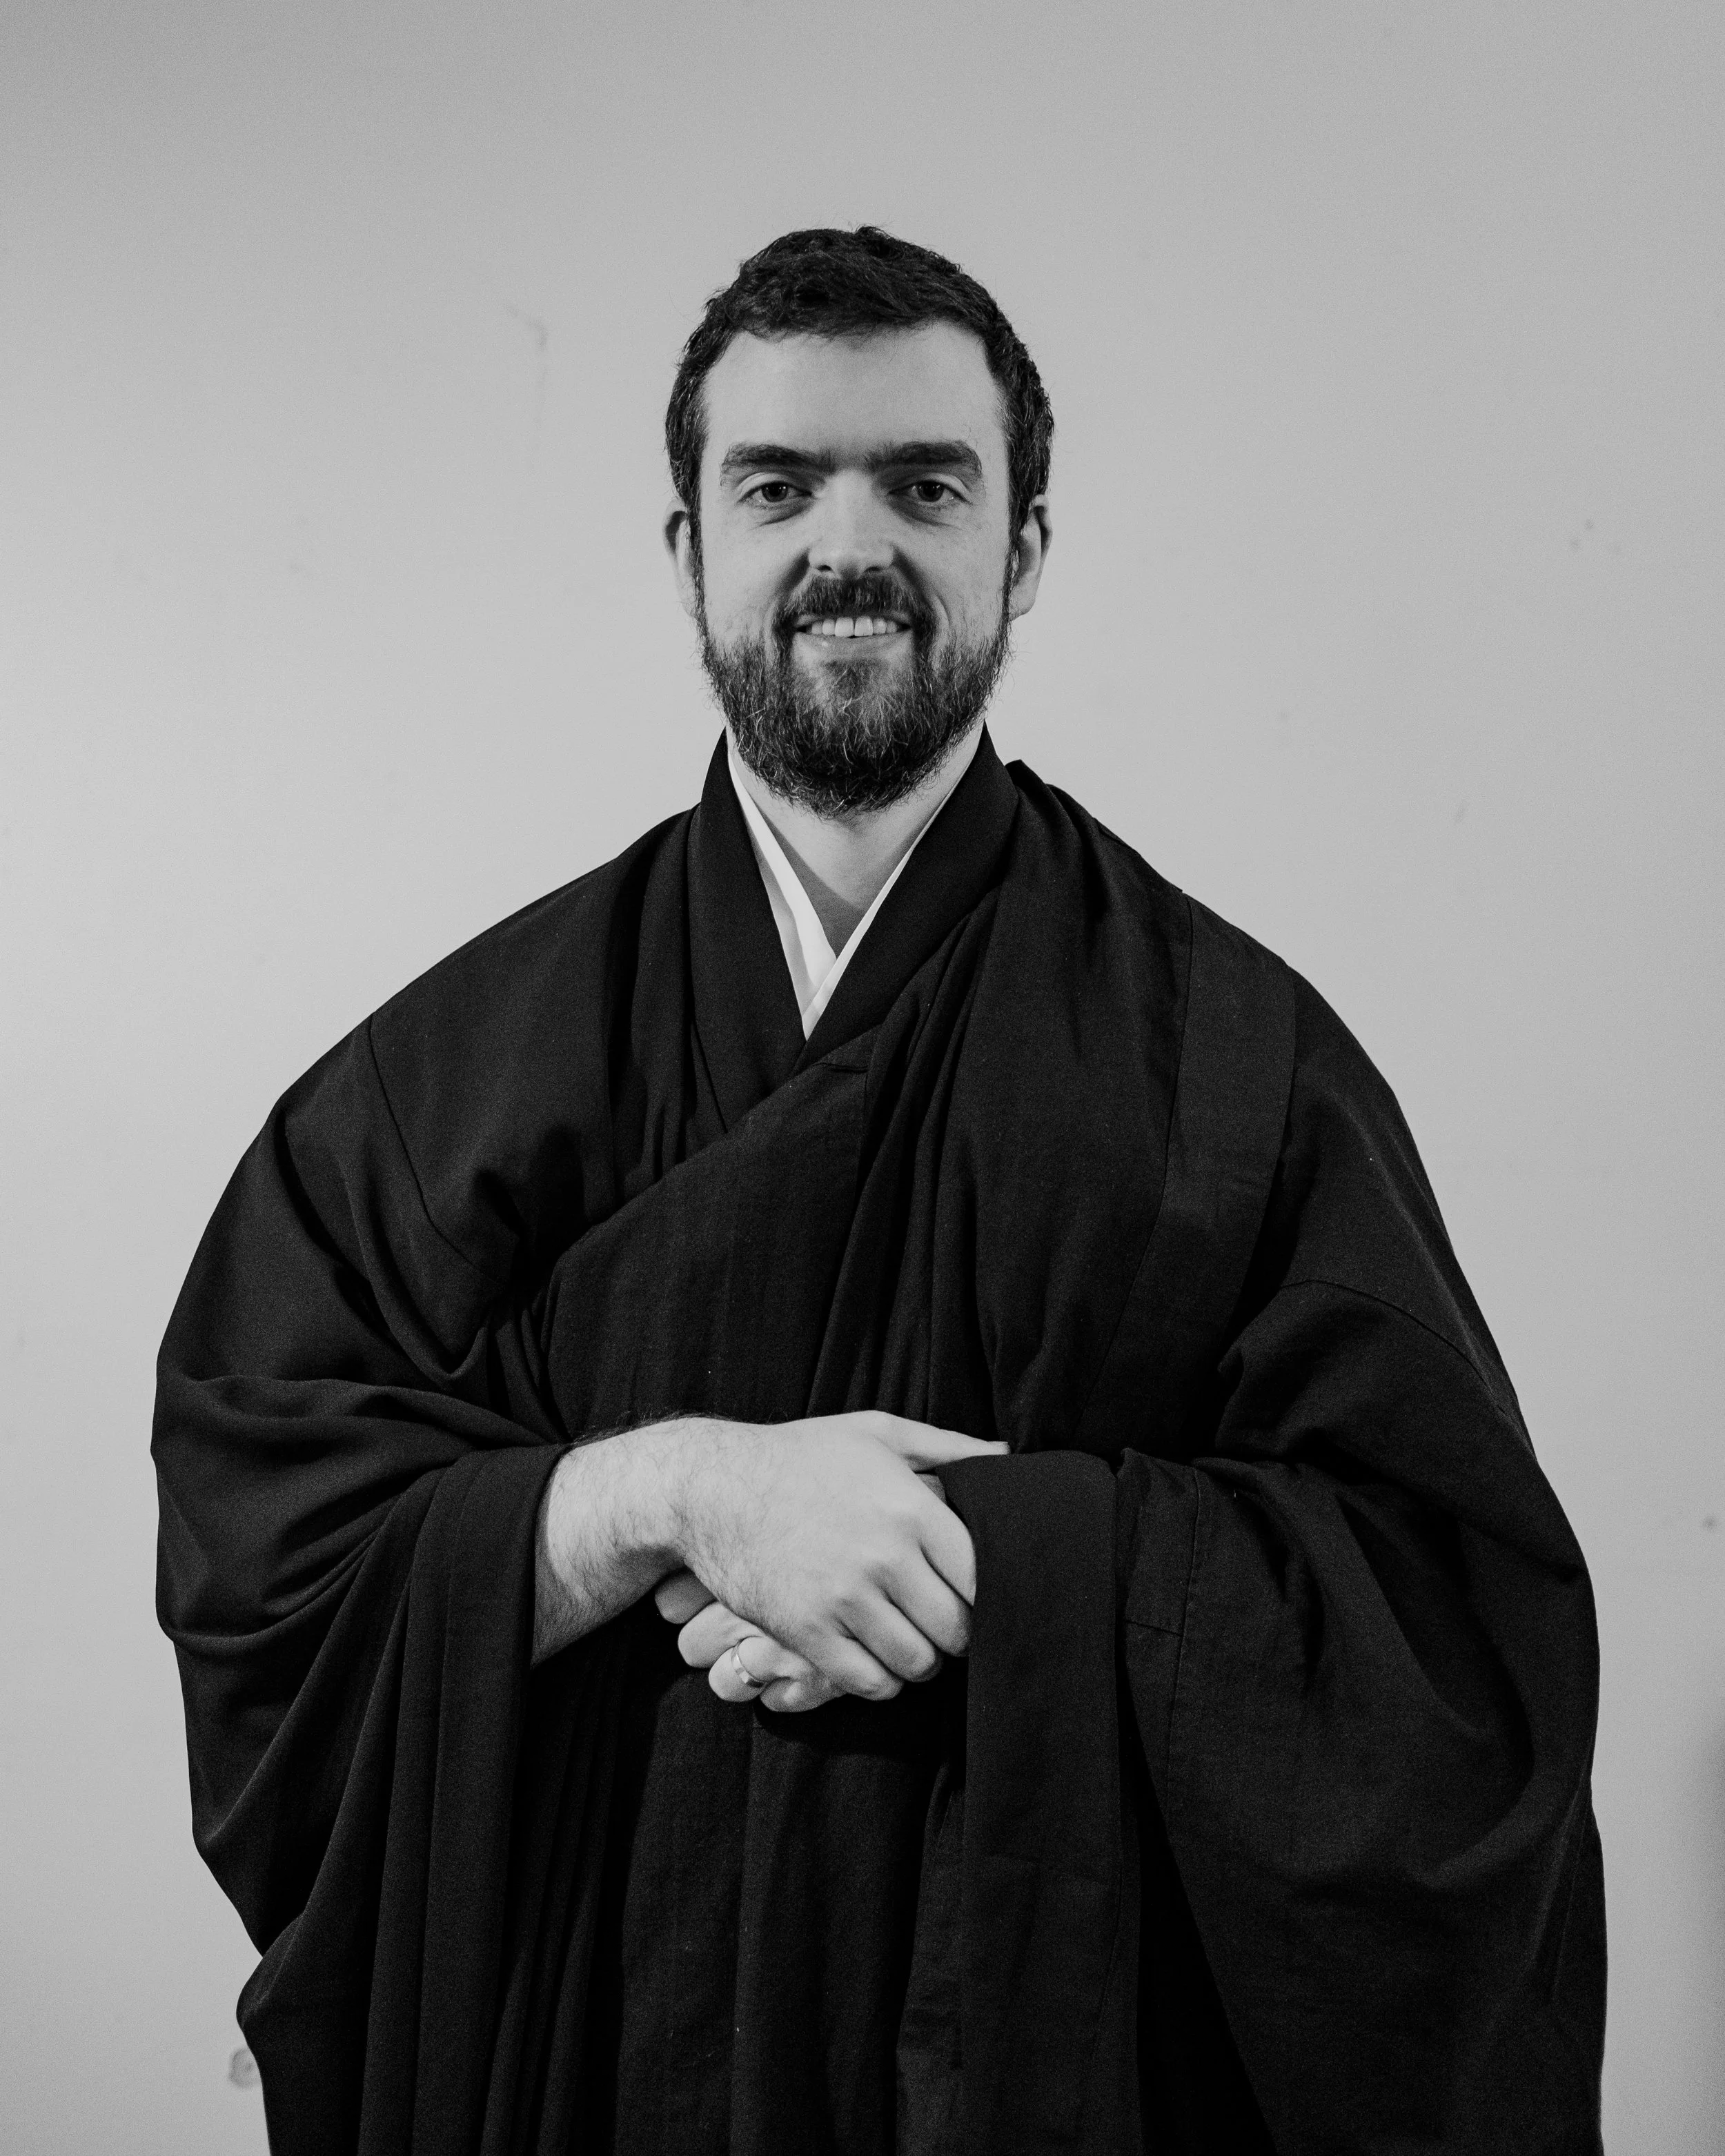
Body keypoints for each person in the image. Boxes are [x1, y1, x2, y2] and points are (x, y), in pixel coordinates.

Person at [154, 227, 1606, 2156]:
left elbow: (1451, 1639)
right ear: (686, 550)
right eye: (775, 487)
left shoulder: (1234, 1066)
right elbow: (266, 1554)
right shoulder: (449, 1083)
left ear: (1021, 547)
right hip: (596, 2060)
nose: (852, 545)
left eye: (925, 485)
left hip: (1056, 2063)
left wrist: (1007, 1557)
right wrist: (671, 1492)